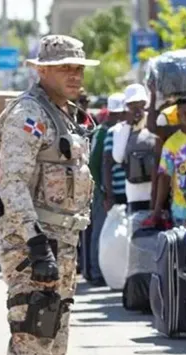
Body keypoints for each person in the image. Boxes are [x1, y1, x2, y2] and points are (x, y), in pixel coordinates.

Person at [0, 34, 98, 355]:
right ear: (41, 70)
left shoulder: (65, 114)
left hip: (63, 243)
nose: (73, 74)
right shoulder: (29, 114)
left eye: (77, 67)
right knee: (33, 341)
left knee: (52, 350)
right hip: (34, 245)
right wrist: (37, 245)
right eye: (63, 67)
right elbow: (13, 184)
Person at [86, 92, 126, 286]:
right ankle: (96, 271)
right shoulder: (102, 132)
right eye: (116, 113)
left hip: (113, 190)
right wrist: (102, 191)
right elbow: (94, 165)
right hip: (101, 190)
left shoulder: (119, 131)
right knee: (101, 231)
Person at [152, 95, 186, 226]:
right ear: (178, 115)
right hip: (182, 211)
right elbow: (165, 177)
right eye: (184, 113)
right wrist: (157, 209)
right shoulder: (172, 144)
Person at [112, 83, 159, 214]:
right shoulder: (120, 129)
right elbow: (118, 157)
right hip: (135, 195)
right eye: (132, 106)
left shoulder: (153, 125)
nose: (137, 110)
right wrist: (128, 125)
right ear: (126, 108)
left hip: (157, 194)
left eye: (140, 105)